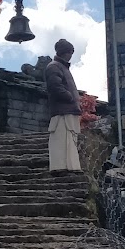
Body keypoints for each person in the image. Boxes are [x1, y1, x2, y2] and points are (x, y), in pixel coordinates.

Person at [45, 39, 81, 172]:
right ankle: (61, 166)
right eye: (69, 52)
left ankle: (70, 165)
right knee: (61, 138)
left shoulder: (62, 67)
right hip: (63, 110)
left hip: (69, 109)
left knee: (69, 138)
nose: (70, 55)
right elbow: (55, 86)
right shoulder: (54, 67)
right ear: (63, 52)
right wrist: (70, 97)